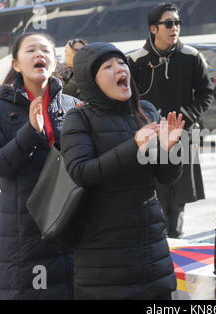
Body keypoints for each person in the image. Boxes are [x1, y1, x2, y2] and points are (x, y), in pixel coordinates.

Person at [61, 42, 184, 300]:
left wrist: (170, 149)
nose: (119, 69)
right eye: (107, 66)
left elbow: (166, 177)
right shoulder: (79, 118)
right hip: (103, 251)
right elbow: (81, 172)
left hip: (150, 240)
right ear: (91, 80)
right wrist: (135, 146)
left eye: (121, 63)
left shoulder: (146, 111)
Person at [0, 32, 77, 300]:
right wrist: (30, 131)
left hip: (68, 220)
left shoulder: (72, 107)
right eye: (31, 50)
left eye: (46, 50)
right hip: (24, 227)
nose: (39, 55)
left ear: (55, 60)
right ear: (16, 64)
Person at [128, 3, 212, 238]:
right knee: (152, 198)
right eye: (168, 23)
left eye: (177, 23)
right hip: (149, 140)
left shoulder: (192, 57)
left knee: (177, 202)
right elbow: (126, 99)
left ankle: (173, 247)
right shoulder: (135, 60)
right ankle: (156, 247)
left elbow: (205, 94)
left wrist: (188, 116)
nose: (174, 27)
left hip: (181, 137)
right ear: (153, 28)